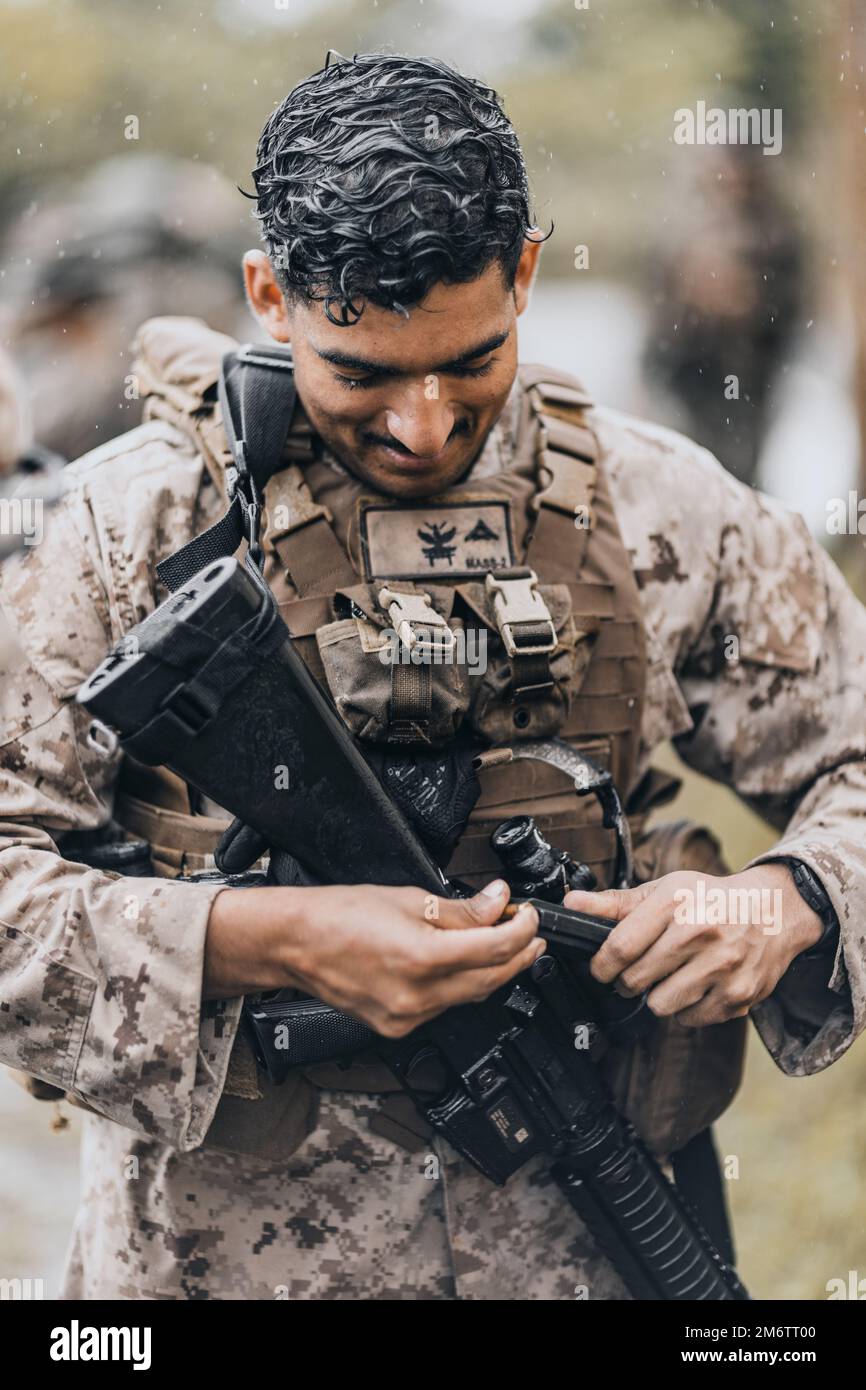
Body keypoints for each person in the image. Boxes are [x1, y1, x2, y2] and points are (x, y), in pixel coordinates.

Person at [1, 52, 863, 1302]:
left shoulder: (659, 508)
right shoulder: (123, 530)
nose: (420, 424)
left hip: (585, 1246)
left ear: (521, 273)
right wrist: (265, 940)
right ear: (269, 296)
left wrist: (788, 897)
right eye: (362, 372)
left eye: (468, 360)